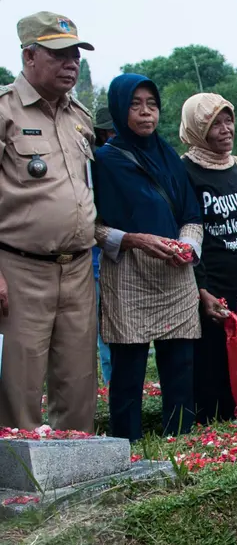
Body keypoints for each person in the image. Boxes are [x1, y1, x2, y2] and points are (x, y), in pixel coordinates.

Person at [0, 12, 97, 431]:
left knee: (78, 380)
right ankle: (18, 483)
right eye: (59, 54)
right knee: (19, 384)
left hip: (77, 267)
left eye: (74, 54)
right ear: (29, 56)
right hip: (20, 268)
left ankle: (75, 475)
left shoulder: (79, 115)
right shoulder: (5, 110)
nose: (70, 63)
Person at [93, 74, 203, 439]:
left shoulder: (170, 157)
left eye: (151, 105)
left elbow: (191, 214)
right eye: (135, 105)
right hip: (128, 271)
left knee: (180, 362)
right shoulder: (104, 161)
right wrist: (135, 240)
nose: (145, 113)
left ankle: (181, 435)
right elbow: (92, 226)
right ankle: (126, 440)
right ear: (120, 109)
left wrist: (188, 246)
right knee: (129, 364)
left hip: (175, 271)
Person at [179, 93, 237, 422]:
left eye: (228, 119)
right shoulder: (185, 171)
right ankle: (209, 416)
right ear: (196, 127)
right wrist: (200, 290)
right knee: (210, 354)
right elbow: (187, 231)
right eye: (214, 122)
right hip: (206, 278)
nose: (225, 128)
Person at [93, 107, 115, 386]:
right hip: (94, 263)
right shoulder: (94, 165)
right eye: (109, 132)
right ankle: (111, 389)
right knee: (104, 336)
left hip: (123, 262)